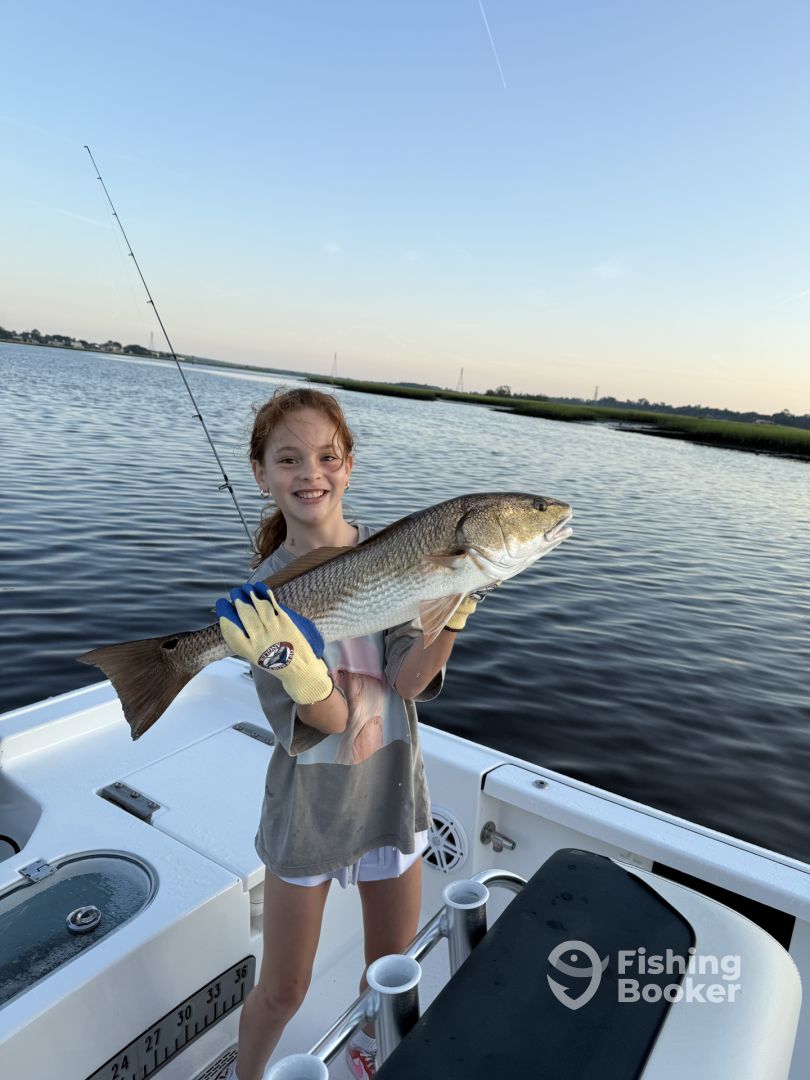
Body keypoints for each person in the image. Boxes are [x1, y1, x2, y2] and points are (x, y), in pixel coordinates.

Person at [214, 387, 483, 1080]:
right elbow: (329, 721)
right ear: (261, 474)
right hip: (309, 806)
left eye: (328, 457)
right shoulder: (260, 599)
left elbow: (408, 681)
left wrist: (452, 613)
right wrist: (302, 674)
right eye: (289, 459)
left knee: (388, 971)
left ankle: (369, 1057)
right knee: (284, 989)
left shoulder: (402, 555)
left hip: (390, 793)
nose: (312, 473)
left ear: (350, 466)